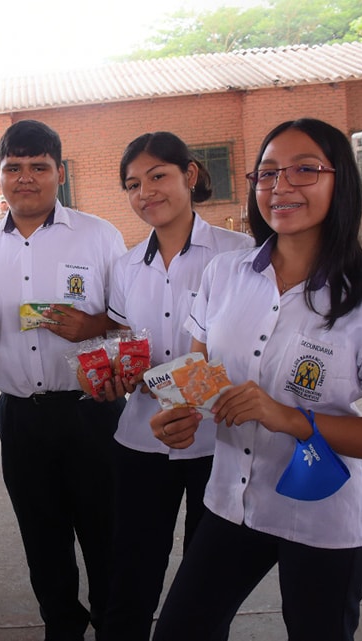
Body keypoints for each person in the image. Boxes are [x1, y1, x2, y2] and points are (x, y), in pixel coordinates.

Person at [150, 118, 362, 641]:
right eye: (268, 172)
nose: (282, 186)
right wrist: (176, 417)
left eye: (305, 170)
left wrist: (288, 417)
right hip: (231, 504)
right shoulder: (224, 276)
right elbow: (195, 379)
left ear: (339, 181)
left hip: (323, 516)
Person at [0, 119, 127, 639]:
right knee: (41, 535)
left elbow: (132, 316)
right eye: (14, 168)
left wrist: (92, 325)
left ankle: (116, 625)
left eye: (38, 167)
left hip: (91, 410)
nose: (25, 178)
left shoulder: (99, 236)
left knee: (106, 533)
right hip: (20, 416)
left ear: (60, 173)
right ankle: (62, 627)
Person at [97, 132, 253, 640]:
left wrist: (195, 394)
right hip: (140, 440)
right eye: (132, 184)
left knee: (205, 582)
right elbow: (125, 342)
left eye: (158, 176)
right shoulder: (125, 266)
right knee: (132, 571)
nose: (146, 192)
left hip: (218, 441)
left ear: (189, 175)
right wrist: (117, 372)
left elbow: (255, 345)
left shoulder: (239, 254)